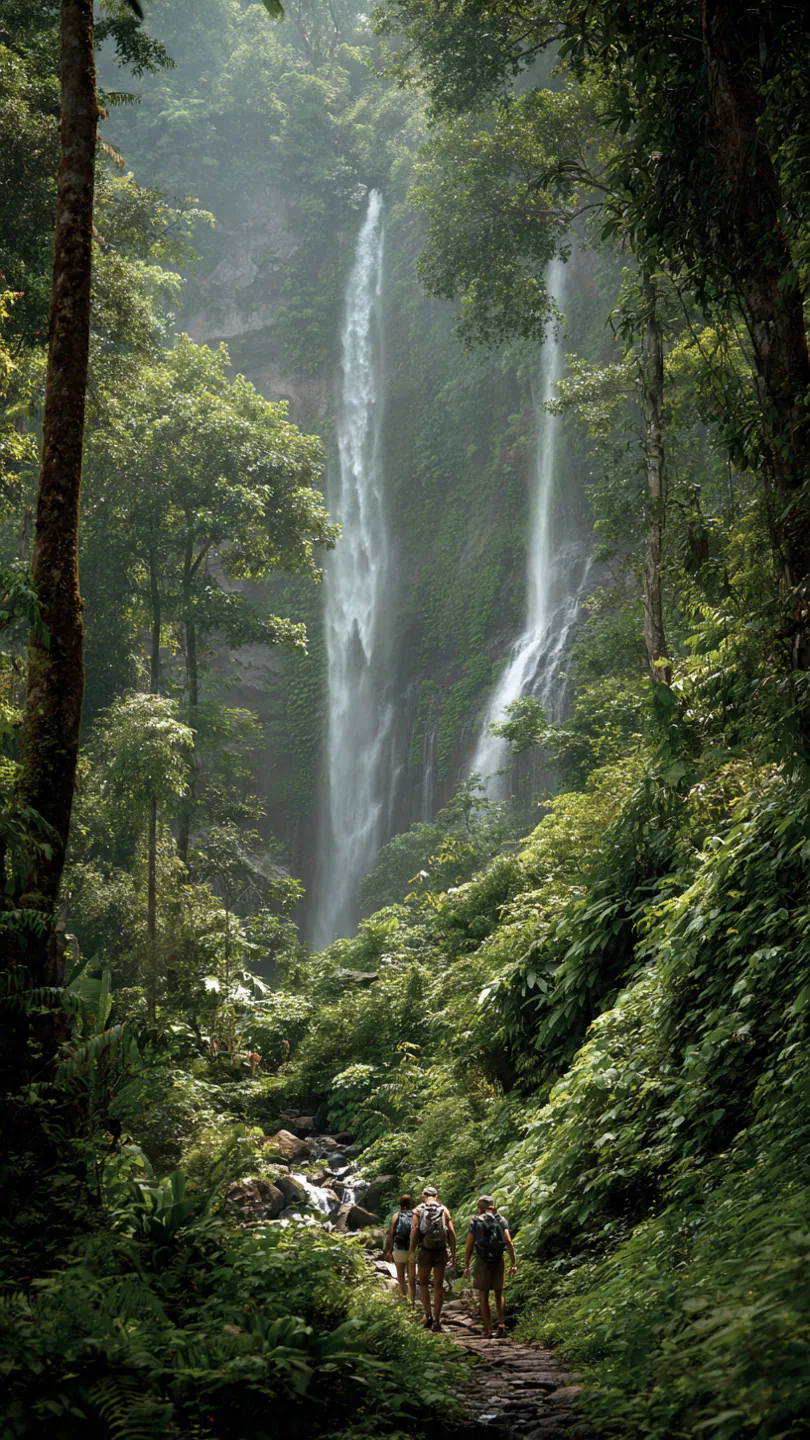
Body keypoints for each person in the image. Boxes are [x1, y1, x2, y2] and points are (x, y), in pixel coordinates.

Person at [463, 1194, 517, 1339]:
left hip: (482, 1260)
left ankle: (488, 1330)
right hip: (499, 1259)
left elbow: (469, 1245)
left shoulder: (475, 1221)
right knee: (499, 1293)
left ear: (479, 1208)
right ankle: (501, 1325)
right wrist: (513, 1262)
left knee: (484, 1294)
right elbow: (508, 1241)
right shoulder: (501, 1220)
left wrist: (467, 1263)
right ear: (493, 1206)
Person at [409, 1184, 457, 1332]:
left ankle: (428, 1315)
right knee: (438, 1286)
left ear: (424, 1196)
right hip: (441, 1251)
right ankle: (437, 1319)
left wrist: (411, 1250)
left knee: (422, 1284)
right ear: (436, 1196)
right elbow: (451, 1233)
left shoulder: (418, 1210)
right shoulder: (444, 1210)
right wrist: (454, 1254)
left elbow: (415, 1230)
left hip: (425, 1251)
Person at [384, 1194, 416, 1302]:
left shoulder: (396, 1216)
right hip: (412, 1249)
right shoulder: (415, 1215)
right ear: (411, 1203)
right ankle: (412, 1299)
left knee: (401, 1275)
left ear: (400, 1204)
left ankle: (403, 1298)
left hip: (399, 1248)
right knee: (412, 1276)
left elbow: (392, 1234)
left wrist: (389, 1250)